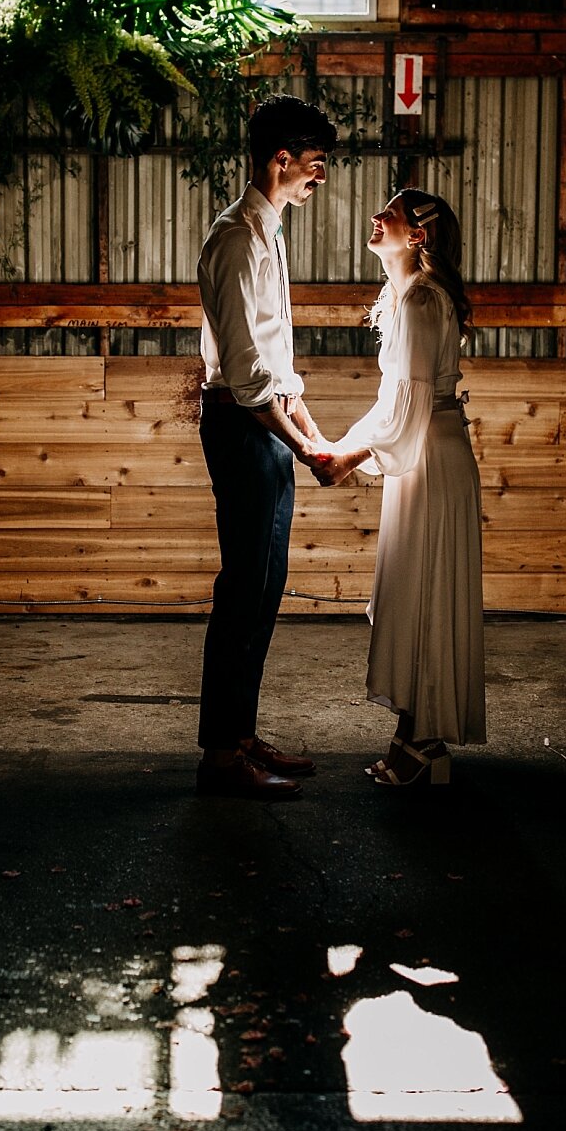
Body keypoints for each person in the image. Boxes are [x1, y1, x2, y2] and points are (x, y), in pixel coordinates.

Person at [313, 189, 486, 786]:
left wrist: (347, 457)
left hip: (431, 460)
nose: (376, 217)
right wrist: (344, 447)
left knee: (425, 591)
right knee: (416, 592)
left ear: (417, 237)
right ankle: (415, 739)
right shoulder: (407, 297)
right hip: (426, 456)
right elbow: (395, 402)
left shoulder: (421, 302)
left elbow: (408, 408)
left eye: (390, 212)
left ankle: (424, 745)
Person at [194, 94, 339, 799]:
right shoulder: (236, 239)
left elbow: (277, 363)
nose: (319, 179)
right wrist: (304, 447)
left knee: (266, 589)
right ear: (281, 161)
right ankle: (220, 758)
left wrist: (307, 428)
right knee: (242, 591)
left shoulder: (268, 230)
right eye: (314, 166)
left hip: (266, 424)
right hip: (242, 425)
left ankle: (241, 735)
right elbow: (249, 379)